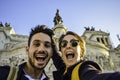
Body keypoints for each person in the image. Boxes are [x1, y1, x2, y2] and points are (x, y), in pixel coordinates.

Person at [52, 31, 120, 80]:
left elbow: (94, 76)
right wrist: (50, 38)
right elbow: (56, 57)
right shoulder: (65, 70)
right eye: (64, 44)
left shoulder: (83, 68)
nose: (68, 46)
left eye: (74, 43)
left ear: (81, 50)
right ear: (61, 50)